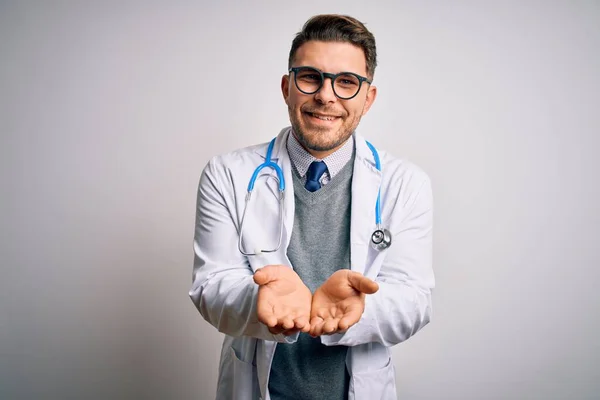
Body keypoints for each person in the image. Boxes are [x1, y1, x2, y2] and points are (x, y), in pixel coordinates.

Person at [189, 14, 434, 400]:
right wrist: (260, 302)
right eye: (310, 77)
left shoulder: (405, 183)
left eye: (347, 82)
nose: (326, 95)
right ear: (287, 87)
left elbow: (415, 300)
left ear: (367, 99)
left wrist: (361, 309)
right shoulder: (227, 174)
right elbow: (210, 287)